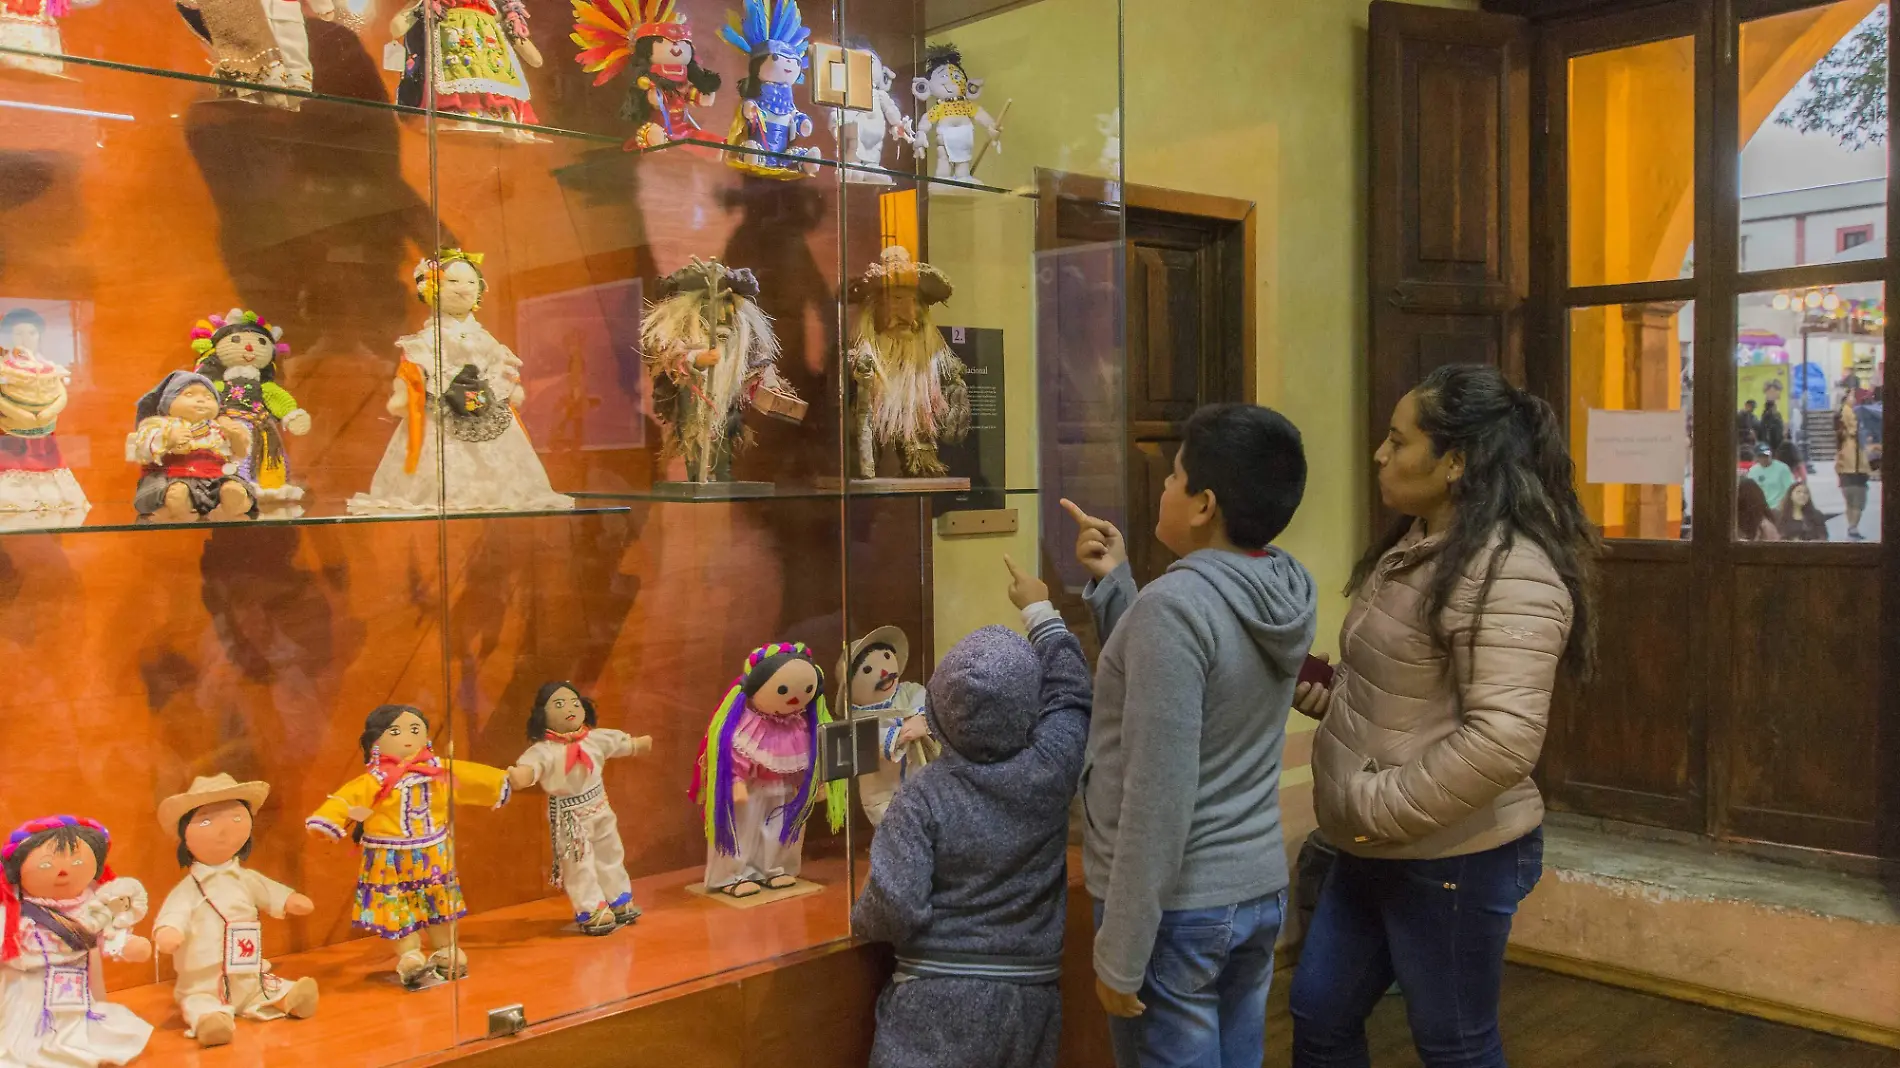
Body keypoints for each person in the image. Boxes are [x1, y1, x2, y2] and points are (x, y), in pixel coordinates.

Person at [1289, 364, 1598, 1068]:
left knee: (1455, 1045)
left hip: (1453, 854)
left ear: (1455, 461)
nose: (1380, 454)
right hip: (1374, 843)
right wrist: (1335, 696)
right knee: (1319, 1013)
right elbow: (1412, 693)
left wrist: (1376, 800)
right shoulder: (1419, 543)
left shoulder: (1509, 571)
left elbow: (1502, 740)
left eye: (1398, 441)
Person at [1066, 403, 1318, 1068]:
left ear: (1204, 504)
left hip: (1180, 910)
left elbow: (1159, 796)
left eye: (1175, 478)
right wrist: (1119, 583)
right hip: (1255, 889)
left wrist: (1120, 954)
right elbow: (1205, 675)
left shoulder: (1174, 610)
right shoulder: (1282, 585)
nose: (1164, 488)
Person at [853, 557, 1093, 1068]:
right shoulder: (1052, 767)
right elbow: (1073, 692)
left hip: (932, 997)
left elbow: (893, 907)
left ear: (934, 715)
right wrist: (1039, 609)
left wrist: (860, 920)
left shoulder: (921, 797)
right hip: (1030, 993)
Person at [1836, 400, 1873, 542]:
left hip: (1844, 475)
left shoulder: (1842, 437)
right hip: (1857, 475)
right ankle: (1853, 528)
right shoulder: (1857, 439)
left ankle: (1852, 529)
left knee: (1850, 504)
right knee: (1858, 505)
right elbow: (1865, 460)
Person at [1745, 442, 1796, 511]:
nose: (1764, 458)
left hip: (1778, 508)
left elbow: (1790, 488)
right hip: (1760, 508)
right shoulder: (1753, 471)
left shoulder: (1782, 468)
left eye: (1766, 455)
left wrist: (1782, 505)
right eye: (1761, 456)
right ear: (1756, 457)